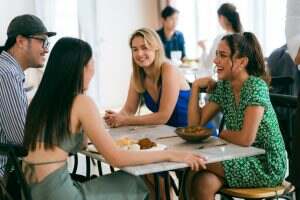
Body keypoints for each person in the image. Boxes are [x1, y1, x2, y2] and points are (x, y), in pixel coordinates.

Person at [22, 37, 206, 200]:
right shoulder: (81, 102)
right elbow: (116, 158)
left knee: (139, 179)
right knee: (142, 183)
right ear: (81, 68)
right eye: (91, 63)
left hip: (31, 191)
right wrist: (171, 154)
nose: (93, 69)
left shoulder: (39, 101)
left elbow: (80, 144)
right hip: (61, 194)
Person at [187, 32, 287, 199]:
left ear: (242, 62)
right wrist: (196, 87)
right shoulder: (225, 86)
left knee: (195, 162)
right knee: (202, 182)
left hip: (266, 164)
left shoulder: (256, 86)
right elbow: (194, 126)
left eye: (223, 55)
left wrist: (224, 134)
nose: (215, 60)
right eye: (216, 54)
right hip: (238, 157)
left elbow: (246, 139)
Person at [104, 28, 215, 132]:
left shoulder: (168, 70)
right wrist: (114, 117)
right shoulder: (137, 76)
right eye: (135, 49)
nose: (139, 54)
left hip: (199, 133)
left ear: (156, 47)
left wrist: (124, 120)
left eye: (144, 47)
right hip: (172, 135)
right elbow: (128, 110)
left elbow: (163, 117)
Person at [0, 14, 56, 176]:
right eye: (42, 41)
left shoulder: (7, 70)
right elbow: (21, 138)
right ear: (21, 42)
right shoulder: (7, 74)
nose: (46, 48)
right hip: (5, 174)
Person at [198, 3, 243, 73]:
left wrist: (204, 48)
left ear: (222, 18)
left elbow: (207, 64)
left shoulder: (221, 39)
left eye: (218, 18)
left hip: (227, 79)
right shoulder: (243, 37)